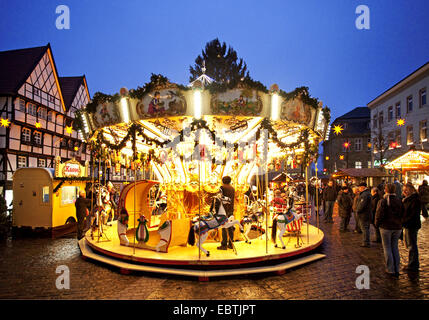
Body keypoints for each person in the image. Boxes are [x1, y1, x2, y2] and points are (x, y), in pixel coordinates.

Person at [375, 183, 404, 278]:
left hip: (386, 227)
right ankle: (396, 268)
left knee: (387, 248)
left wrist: (377, 224)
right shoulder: (399, 200)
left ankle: (390, 269)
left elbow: (379, 215)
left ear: (385, 190)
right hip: (397, 227)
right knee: (395, 247)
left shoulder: (383, 201)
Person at [402, 183, 422, 272]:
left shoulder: (414, 200)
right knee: (410, 244)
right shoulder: (408, 199)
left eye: (406, 190)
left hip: (411, 225)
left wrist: (404, 220)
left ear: (411, 190)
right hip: (409, 224)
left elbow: (413, 214)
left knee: (412, 245)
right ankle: (412, 263)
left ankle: (413, 264)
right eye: (403, 190)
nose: (404, 192)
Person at [216, 176, 236, 250]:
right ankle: (231, 244)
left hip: (223, 210)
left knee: (224, 227)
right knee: (230, 227)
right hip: (230, 209)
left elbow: (219, 198)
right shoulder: (232, 188)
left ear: (223, 181)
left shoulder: (222, 188)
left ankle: (224, 244)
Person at [356, 182, 372, 247]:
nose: (358, 189)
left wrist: (357, 210)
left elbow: (362, 205)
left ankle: (366, 242)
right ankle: (366, 241)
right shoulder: (367, 193)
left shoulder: (365, 195)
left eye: (359, 187)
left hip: (364, 214)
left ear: (362, 187)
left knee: (365, 228)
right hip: (367, 214)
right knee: (366, 228)